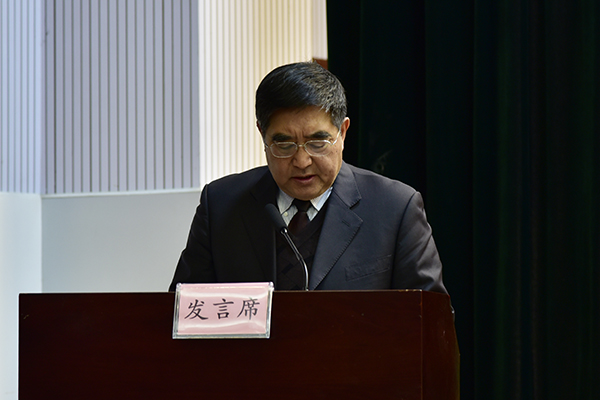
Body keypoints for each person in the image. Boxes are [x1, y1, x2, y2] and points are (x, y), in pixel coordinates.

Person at [169, 61, 447, 294]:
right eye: (284, 145)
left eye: (317, 143)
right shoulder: (221, 205)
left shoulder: (395, 208)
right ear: (262, 134)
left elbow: (430, 323)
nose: (302, 161)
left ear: (343, 132)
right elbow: (182, 314)